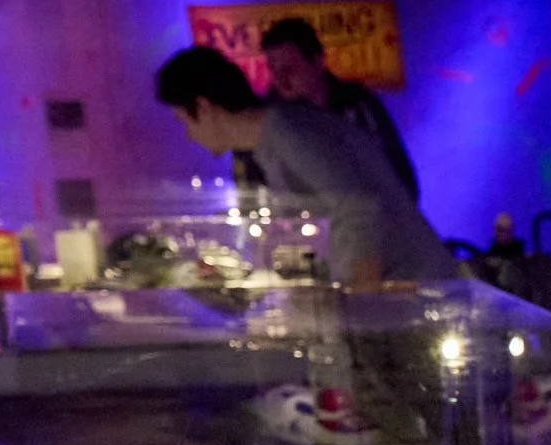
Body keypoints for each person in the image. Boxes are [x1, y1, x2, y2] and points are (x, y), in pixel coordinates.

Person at [153, 45, 454, 289]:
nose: (189, 136)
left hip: (413, 287)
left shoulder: (287, 131)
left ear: (204, 107)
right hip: (402, 287)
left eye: (184, 121)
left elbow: (357, 209)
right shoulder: (274, 137)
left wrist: (363, 308)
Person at [260, 17, 421, 205]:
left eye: (289, 69)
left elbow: (397, 171)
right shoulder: (269, 117)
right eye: (273, 70)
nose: (280, 80)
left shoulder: (357, 106)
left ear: (317, 60)